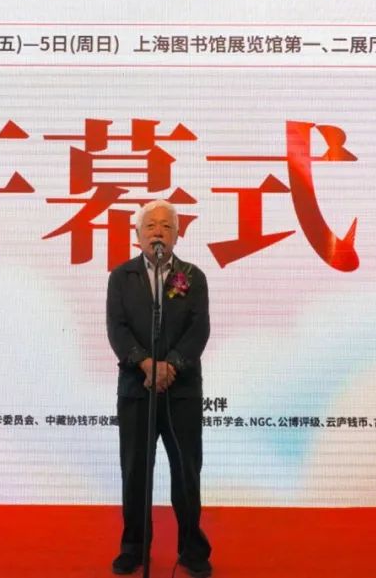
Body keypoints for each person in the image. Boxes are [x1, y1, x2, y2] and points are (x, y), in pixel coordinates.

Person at [106, 200, 213, 577]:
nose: (158, 232)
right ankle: (134, 548)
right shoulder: (122, 277)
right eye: (150, 226)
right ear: (137, 235)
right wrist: (145, 363)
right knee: (135, 471)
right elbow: (117, 328)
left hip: (182, 391)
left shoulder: (191, 276)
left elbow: (199, 329)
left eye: (166, 226)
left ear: (177, 235)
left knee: (187, 472)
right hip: (136, 389)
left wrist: (171, 365)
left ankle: (192, 550)